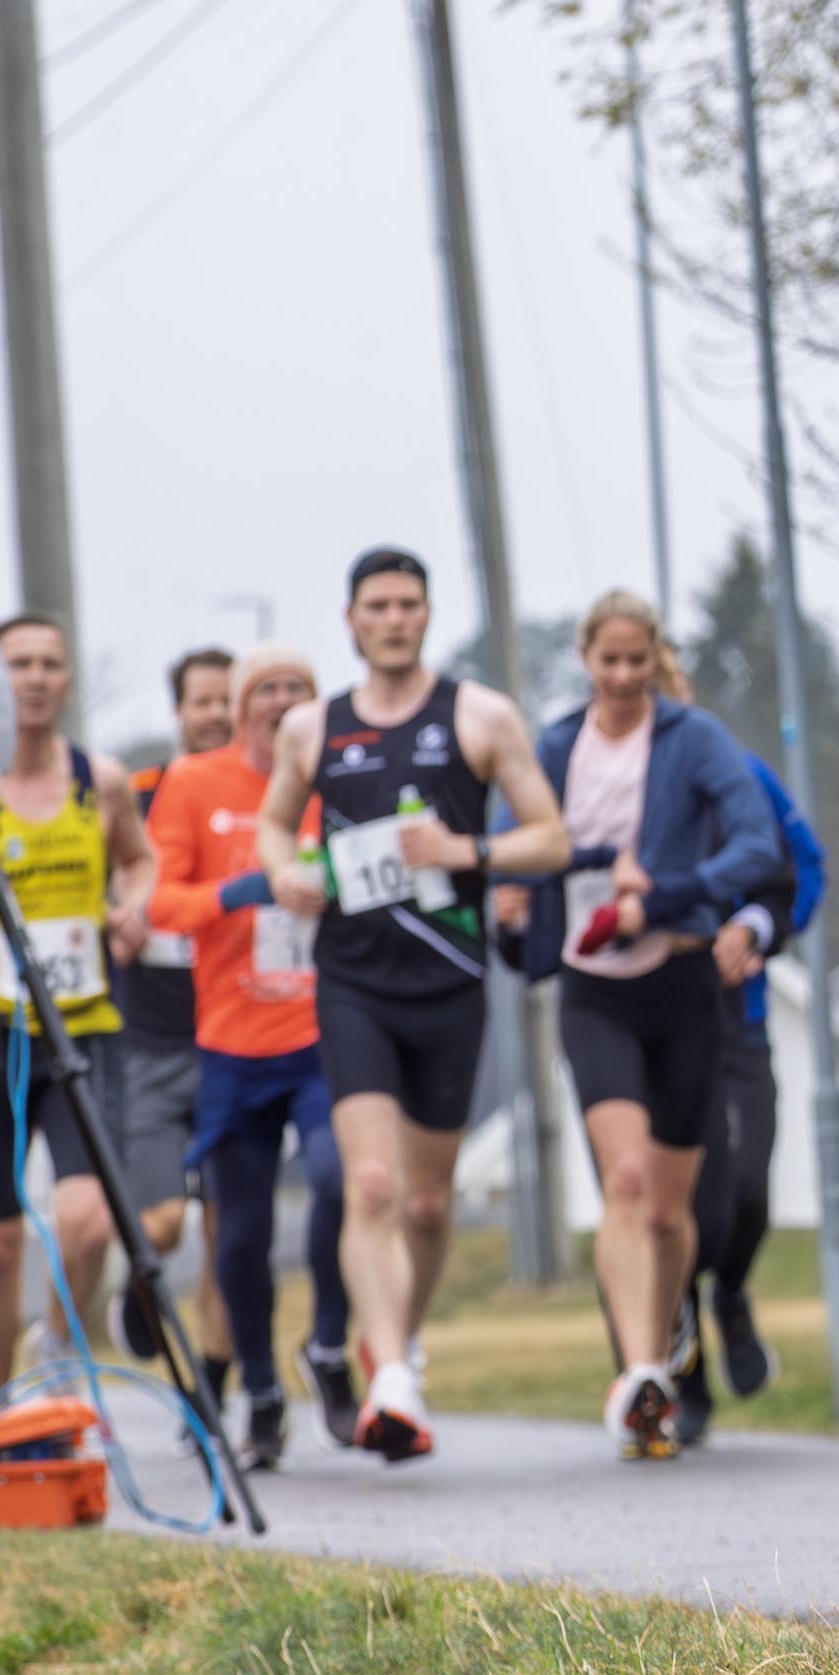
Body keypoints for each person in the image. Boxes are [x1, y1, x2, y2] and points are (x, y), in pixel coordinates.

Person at [258, 547, 570, 1459]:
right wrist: (284, 872)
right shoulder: (313, 728)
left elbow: (550, 838)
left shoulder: (479, 715)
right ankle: (390, 1375)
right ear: (352, 621)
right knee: (374, 1185)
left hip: (451, 984)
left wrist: (465, 852)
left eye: (408, 604)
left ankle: (397, 1340)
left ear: (427, 616)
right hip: (353, 982)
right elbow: (278, 820)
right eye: (377, 606)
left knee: (428, 1205)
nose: (393, 619)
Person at [498, 592, 780, 1461]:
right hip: (592, 991)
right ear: (585, 657)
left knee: (668, 1211)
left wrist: (659, 894)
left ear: (655, 658)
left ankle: (672, 1337)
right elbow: (517, 844)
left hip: (683, 983)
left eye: (636, 661)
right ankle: (641, 1369)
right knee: (623, 1179)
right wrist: (514, 899)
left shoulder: (692, 738)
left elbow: (759, 844)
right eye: (606, 660)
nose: (622, 677)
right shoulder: (553, 748)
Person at [0, 615, 159, 1405]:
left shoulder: (102, 779)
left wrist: (132, 909)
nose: (37, 677)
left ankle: (57, 1340)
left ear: (69, 677)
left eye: (52, 662)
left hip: (84, 1026)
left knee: (89, 1221)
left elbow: (140, 858)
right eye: (20, 663)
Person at [145, 641, 353, 1470]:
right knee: (240, 1233)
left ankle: (330, 1343)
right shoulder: (195, 785)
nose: (279, 701)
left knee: (344, 1180)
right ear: (238, 706)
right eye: (264, 689)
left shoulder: (339, 778)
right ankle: (261, 1388)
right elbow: (159, 901)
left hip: (325, 1031)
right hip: (230, 1041)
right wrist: (239, 890)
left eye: (296, 687)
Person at [648, 639, 823, 1447]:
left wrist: (755, 925)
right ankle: (681, 1379)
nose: (648, 691)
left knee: (747, 1184)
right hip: (643, 1019)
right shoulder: (594, 782)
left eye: (662, 676)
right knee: (670, 1202)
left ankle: (733, 1291)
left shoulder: (736, 770)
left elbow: (801, 866)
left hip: (736, 1017)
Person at [108, 648, 235, 1384]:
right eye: (203, 701)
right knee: (161, 1222)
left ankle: (213, 1390)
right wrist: (110, 918)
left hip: (232, 1039)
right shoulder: (139, 792)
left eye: (227, 700)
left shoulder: (261, 796)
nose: (215, 714)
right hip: (149, 1040)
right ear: (179, 710)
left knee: (228, 1230)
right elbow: (90, 881)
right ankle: (139, 1282)